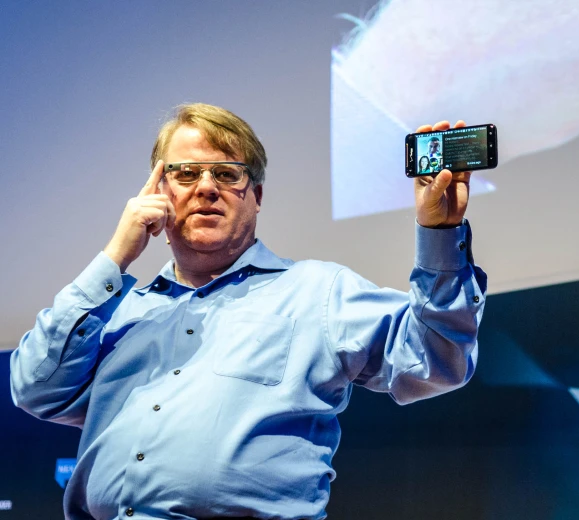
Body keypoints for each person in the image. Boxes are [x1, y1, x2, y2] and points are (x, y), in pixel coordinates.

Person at [9, 103, 486, 520]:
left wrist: (440, 234)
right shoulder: (114, 313)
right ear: (158, 191)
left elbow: (437, 361)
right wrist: (116, 256)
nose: (206, 188)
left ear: (256, 196)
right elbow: (35, 388)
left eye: (228, 174)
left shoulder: (318, 291)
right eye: (186, 174)